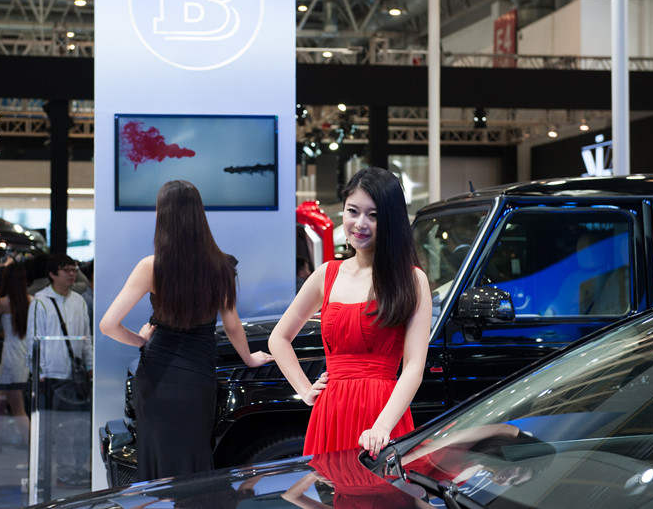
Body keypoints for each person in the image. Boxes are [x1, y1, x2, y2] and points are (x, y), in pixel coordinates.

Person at [99, 180, 273, 481]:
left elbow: (108, 325)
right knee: (194, 462)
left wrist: (140, 339)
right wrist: (249, 359)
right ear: (198, 216)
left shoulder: (151, 267)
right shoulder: (221, 266)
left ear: (162, 216)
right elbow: (232, 326)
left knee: (156, 466)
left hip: (157, 377)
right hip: (198, 378)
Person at [269, 167, 432, 458]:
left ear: (391, 220)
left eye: (374, 215)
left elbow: (413, 368)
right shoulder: (326, 275)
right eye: (352, 211)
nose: (360, 223)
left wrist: (381, 427)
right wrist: (305, 390)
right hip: (330, 413)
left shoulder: (411, 280)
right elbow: (278, 338)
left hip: (382, 416)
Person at [25, 254, 92, 491]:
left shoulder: (79, 301)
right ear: (53, 274)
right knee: (46, 430)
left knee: (72, 428)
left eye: (74, 269)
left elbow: (86, 339)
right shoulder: (41, 302)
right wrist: (38, 373)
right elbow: (34, 340)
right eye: (67, 270)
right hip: (49, 376)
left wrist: (91, 366)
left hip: (73, 376)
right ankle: (42, 475)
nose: (72, 274)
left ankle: (67, 471)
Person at [0, 262, 31, 452]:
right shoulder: (31, 300)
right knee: (1, 404)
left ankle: (32, 449)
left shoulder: (2, 303)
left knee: (16, 408)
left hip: (9, 357)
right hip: (23, 356)